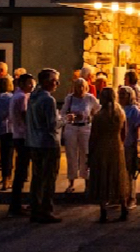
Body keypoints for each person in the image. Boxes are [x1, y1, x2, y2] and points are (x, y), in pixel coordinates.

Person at [87, 87, 132, 223]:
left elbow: (93, 136)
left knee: (102, 177)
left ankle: (103, 211)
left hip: (101, 148)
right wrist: (120, 143)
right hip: (117, 146)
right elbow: (125, 132)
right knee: (117, 176)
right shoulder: (120, 114)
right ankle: (124, 207)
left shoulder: (99, 116)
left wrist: (90, 153)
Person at [25, 68, 63, 224]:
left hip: (34, 142)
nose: (57, 84)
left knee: (37, 177)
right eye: (54, 80)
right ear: (46, 81)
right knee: (48, 178)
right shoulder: (48, 100)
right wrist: (66, 119)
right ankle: (46, 210)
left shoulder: (33, 97)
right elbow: (52, 124)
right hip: (47, 143)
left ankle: (35, 208)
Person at [59, 78, 100, 193]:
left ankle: (87, 182)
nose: (80, 88)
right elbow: (62, 113)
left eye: (82, 86)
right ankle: (71, 182)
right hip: (72, 127)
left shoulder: (90, 98)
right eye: (78, 86)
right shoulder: (70, 98)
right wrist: (69, 116)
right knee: (71, 154)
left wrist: (91, 117)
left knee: (86, 154)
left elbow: (98, 110)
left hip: (85, 127)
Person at [7, 73, 36, 217]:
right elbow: (26, 116)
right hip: (24, 136)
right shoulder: (22, 97)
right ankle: (16, 205)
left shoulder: (15, 96)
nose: (32, 86)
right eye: (29, 83)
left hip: (17, 135)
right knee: (22, 171)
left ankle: (16, 204)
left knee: (20, 171)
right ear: (22, 83)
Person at [120, 86, 140, 208]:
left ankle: (131, 196)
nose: (122, 96)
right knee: (120, 171)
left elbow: (138, 127)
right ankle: (121, 196)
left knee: (130, 170)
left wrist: (138, 143)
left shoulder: (134, 110)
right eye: (120, 94)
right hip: (118, 144)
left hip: (129, 143)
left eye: (124, 94)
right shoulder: (118, 108)